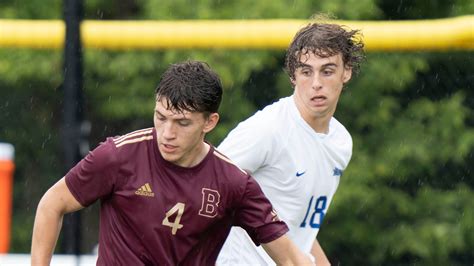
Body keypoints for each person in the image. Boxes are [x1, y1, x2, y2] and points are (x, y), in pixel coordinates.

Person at [31, 61, 314, 265]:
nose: (167, 133)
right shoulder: (118, 156)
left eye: (182, 123)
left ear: (209, 122)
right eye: (161, 117)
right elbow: (51, 204)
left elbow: (289, 258)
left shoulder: (234, 183)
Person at [216, 18, 365, 265]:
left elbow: (300, 225)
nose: (316, 83)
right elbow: (203, 188)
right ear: (294, 76)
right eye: (306, 71)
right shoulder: (267, 130)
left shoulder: (341, 142)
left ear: (346, 72)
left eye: (327, 71)